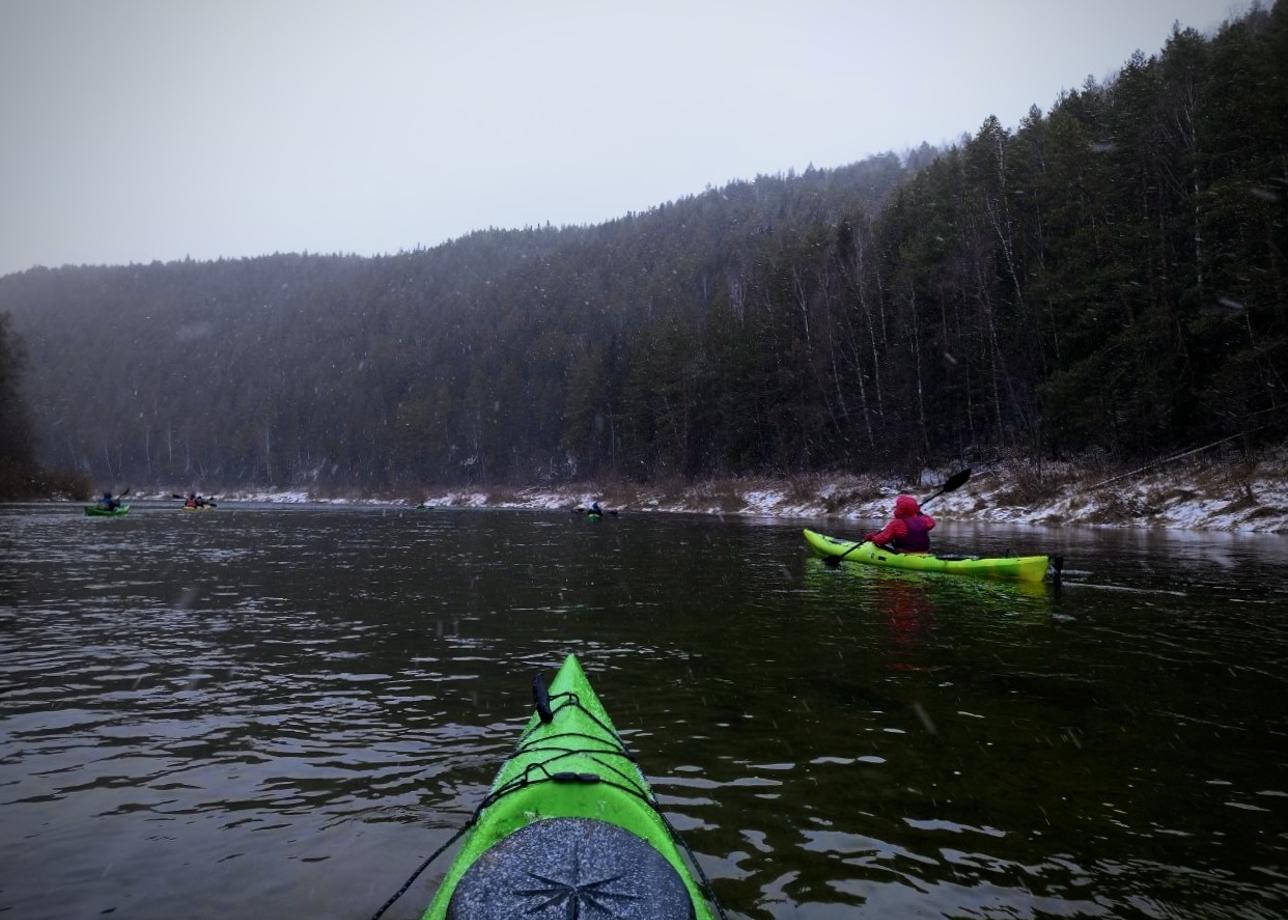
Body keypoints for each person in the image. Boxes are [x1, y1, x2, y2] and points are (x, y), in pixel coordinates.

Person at [865, 494, 935, 553]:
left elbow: (881, 540)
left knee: (880, 544)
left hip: (905, 553)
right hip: (925, 552)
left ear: (899, 508)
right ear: (915, 508)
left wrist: (872, 537)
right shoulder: (924, 520)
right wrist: (917, 512)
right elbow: (932, 522)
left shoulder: (897, 523)